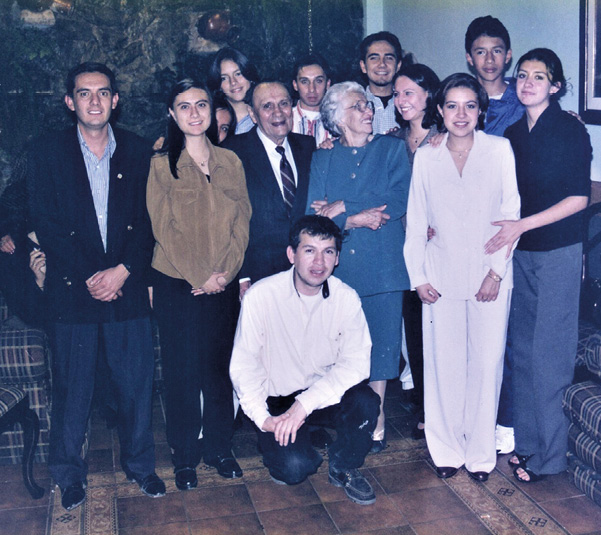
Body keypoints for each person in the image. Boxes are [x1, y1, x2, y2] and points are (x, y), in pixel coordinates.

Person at [26, 62, 165, 511]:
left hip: (126, 285)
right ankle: (68, 475)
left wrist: (124, 269)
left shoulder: (140, 151)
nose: (94, 101)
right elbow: (44, 222)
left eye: (102, 93)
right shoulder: (47, 152)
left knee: (136, 384)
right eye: (84, 94)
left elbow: (151, 221)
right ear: (70, 102)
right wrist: (91, 276)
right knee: (72, 388)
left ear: (115, 100)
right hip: (74, 289)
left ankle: (142, 466)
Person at [404, 73, 520, 482]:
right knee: (444, 367)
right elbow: (416, 222)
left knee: (486, 366)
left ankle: (480, 455)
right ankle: (447, 450)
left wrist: (496, 273)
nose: (461, 114)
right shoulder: (426, 155)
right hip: (440, 275)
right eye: (452, 105)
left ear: (480, 110)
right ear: (439, 110)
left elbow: (511, 216)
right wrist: (418, 276)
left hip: (489, 277)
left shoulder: (500, 150)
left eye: (470, 105)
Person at [485, 49, 592, 483]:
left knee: (549, 355)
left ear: (556, 86)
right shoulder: (512, 134)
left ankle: (550, 457)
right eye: (522, 76)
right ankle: (528, 444)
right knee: (523, 351)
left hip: (558, 251)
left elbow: (579, 199)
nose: (528, 83)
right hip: (521, 252)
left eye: (539, 77)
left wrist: (521, 226)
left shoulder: (569, 130)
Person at [230, 215, 380, 505]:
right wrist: (264, 420)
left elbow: (357, 363)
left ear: (337, 258)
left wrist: (305, 405)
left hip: (322, 397)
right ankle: (296, 444)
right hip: (278, 401)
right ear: (291, 254)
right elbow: (244, 366)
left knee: (366, 401)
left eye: (328, 252)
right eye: (309, 250)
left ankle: (343, 466)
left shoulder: (346, 298)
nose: (319, 262)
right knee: (294, 469)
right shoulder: (260, 297)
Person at [147, 79, 251, 489]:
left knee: (219, 370)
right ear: (172, 115)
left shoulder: (231, 162)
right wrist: (199, 277)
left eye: (201, 105)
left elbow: (242, 222)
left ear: (211, 111)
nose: (194, 113)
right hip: (178, 283)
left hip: (221, 282)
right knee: (182, 372)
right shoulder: (161, 165)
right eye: (184, 107)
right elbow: (163, 228)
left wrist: (222, 274)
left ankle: (220, 450)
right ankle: (185, 457)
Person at [307, 81, 411, 453]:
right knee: (343, 347)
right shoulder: (323, 158)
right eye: (358, 106)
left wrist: (341, 208)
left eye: (368, 105)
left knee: (382, 346)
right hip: (338, 270)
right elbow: (313, 215)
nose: (368, 111)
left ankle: (377, 421)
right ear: (337, 118)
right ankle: (350, 417)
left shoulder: (392, 149)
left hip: (384, 266)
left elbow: (397, 201)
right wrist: (355, 216)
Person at [222, 82, 315, 299]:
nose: (278, 113)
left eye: (283, 104)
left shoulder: (309, 147)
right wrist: (242, 276)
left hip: (306, 272)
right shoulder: (232, 152)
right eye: (267, 106)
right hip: (257, 274)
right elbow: (227, 219)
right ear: (253, 115)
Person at [389, 63, 441, 440]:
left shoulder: (445, 138)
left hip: (441, 253)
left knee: (444, 336)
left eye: (408, 92)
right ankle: (425, 408)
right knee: (416, 336)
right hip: (404, 254)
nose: (401, 99)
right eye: (397, 93)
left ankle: (445, 409)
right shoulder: (392, 141)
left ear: (428, 95)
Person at [465, 16, 524, 137]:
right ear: (470, 58)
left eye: (496, 51)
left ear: (507, 56)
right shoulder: (458, 100)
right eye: (481, 52)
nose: (490, 60)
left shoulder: (524, 97)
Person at [359, 31, 410, 134]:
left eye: (389, 58)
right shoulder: (353, 105)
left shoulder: (409, 104)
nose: (382, 64)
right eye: (374, 58)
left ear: (398, 65)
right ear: (363, 66)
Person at [208, 47, 259, 135]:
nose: (233, 82)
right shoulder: (212, 120)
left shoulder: (265, 116)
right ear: (219, 85)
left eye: (238, 74)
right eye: (224, 78)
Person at [291, 53, 332, 146]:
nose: (312, 89)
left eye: (318, 81)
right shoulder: (285, 119)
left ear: (328, 84)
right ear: (295, 85)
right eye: (304, 82)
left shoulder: (338, 121)